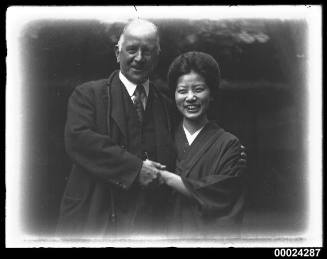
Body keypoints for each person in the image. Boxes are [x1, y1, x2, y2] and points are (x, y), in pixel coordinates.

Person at [56, 19, 176, 236]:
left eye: (147, 51)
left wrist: (224, 151)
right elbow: (79, 140)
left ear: (157, 56)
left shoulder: (167, 106)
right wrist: (136, 169)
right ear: (117, 53)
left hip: (148, 221)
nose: (139, 58)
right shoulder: (88, 95)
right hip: (94, 217)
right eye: (132, 49)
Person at [158, 51, 247, 237]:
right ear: (174, 95)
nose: (190, 97)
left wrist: (166, 177)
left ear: (212, 93)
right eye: (182, 91)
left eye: (198, 89)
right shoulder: (162, 139)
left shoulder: (229, 144)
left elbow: (222, 195)